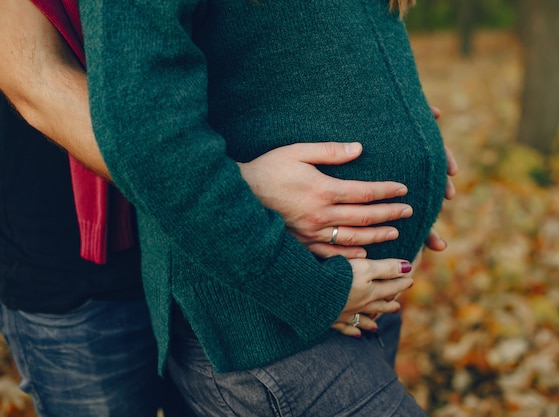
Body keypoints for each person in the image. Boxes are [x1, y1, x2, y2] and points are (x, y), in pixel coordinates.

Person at [0, 0, 456, 416]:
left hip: (284, 259)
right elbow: (52, 87)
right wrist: (242, 184)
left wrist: (406, 139)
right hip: (100, 259)